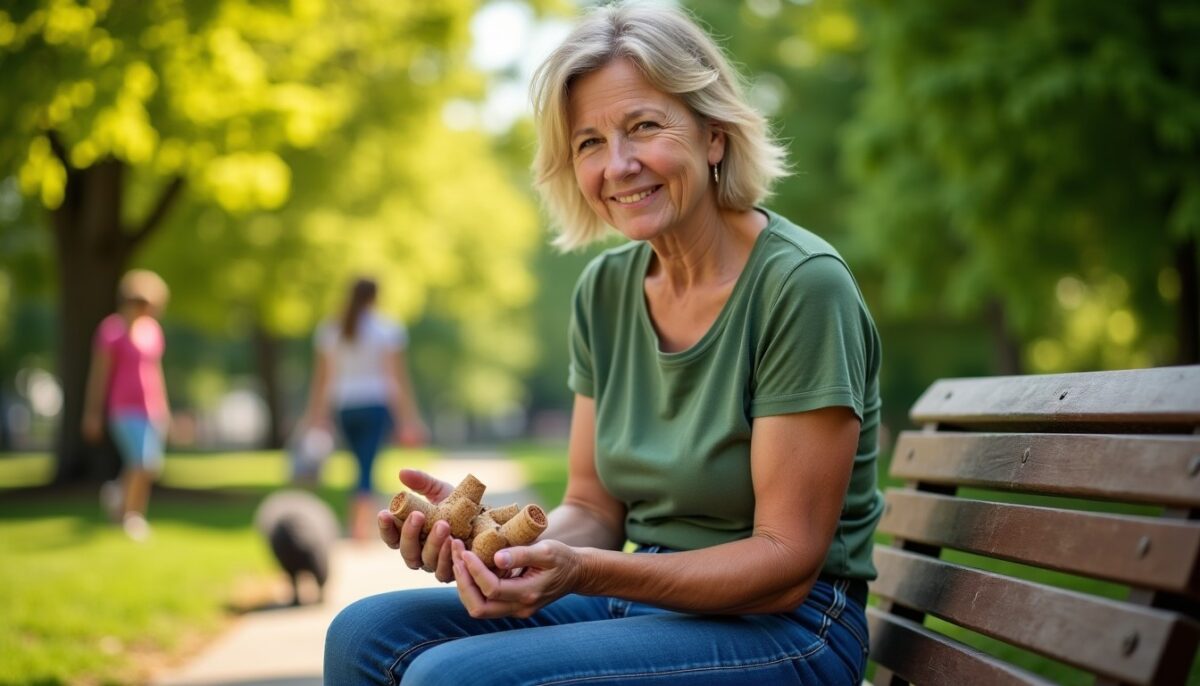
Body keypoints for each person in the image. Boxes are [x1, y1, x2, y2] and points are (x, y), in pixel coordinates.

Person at [325, 4, 883, 684]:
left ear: (713, 135)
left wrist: (586, 571)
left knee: (454, 679)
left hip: (788, 628)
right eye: (589, 142)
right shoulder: (606, 290)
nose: (618, 165)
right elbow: (592, 510)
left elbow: (785, 564)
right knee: (363, 635)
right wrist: (487, 540)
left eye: (643, 126)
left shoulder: (801, 286)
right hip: (645, 597)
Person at [303, 277, 428, 540]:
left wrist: (316, 415)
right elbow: (396, 378)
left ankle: (358, 522)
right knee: (367, 466)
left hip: (344, 406)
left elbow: (322, 380)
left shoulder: (331, 329)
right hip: (375, 405)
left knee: (359, 465)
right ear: (375, 296)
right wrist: (409, 418)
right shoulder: (387, 329)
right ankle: (361, 528)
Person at [83, 269, 171, 542]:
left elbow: (155, 371)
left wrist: (164, 407)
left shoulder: (152, 331)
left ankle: (119, 496)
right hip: (123, 408)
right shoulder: (111, 331)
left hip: (150, 407)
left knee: (150, 466)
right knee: (141, 460)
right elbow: (99, 375)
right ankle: (131, 516)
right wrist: (93, 413)